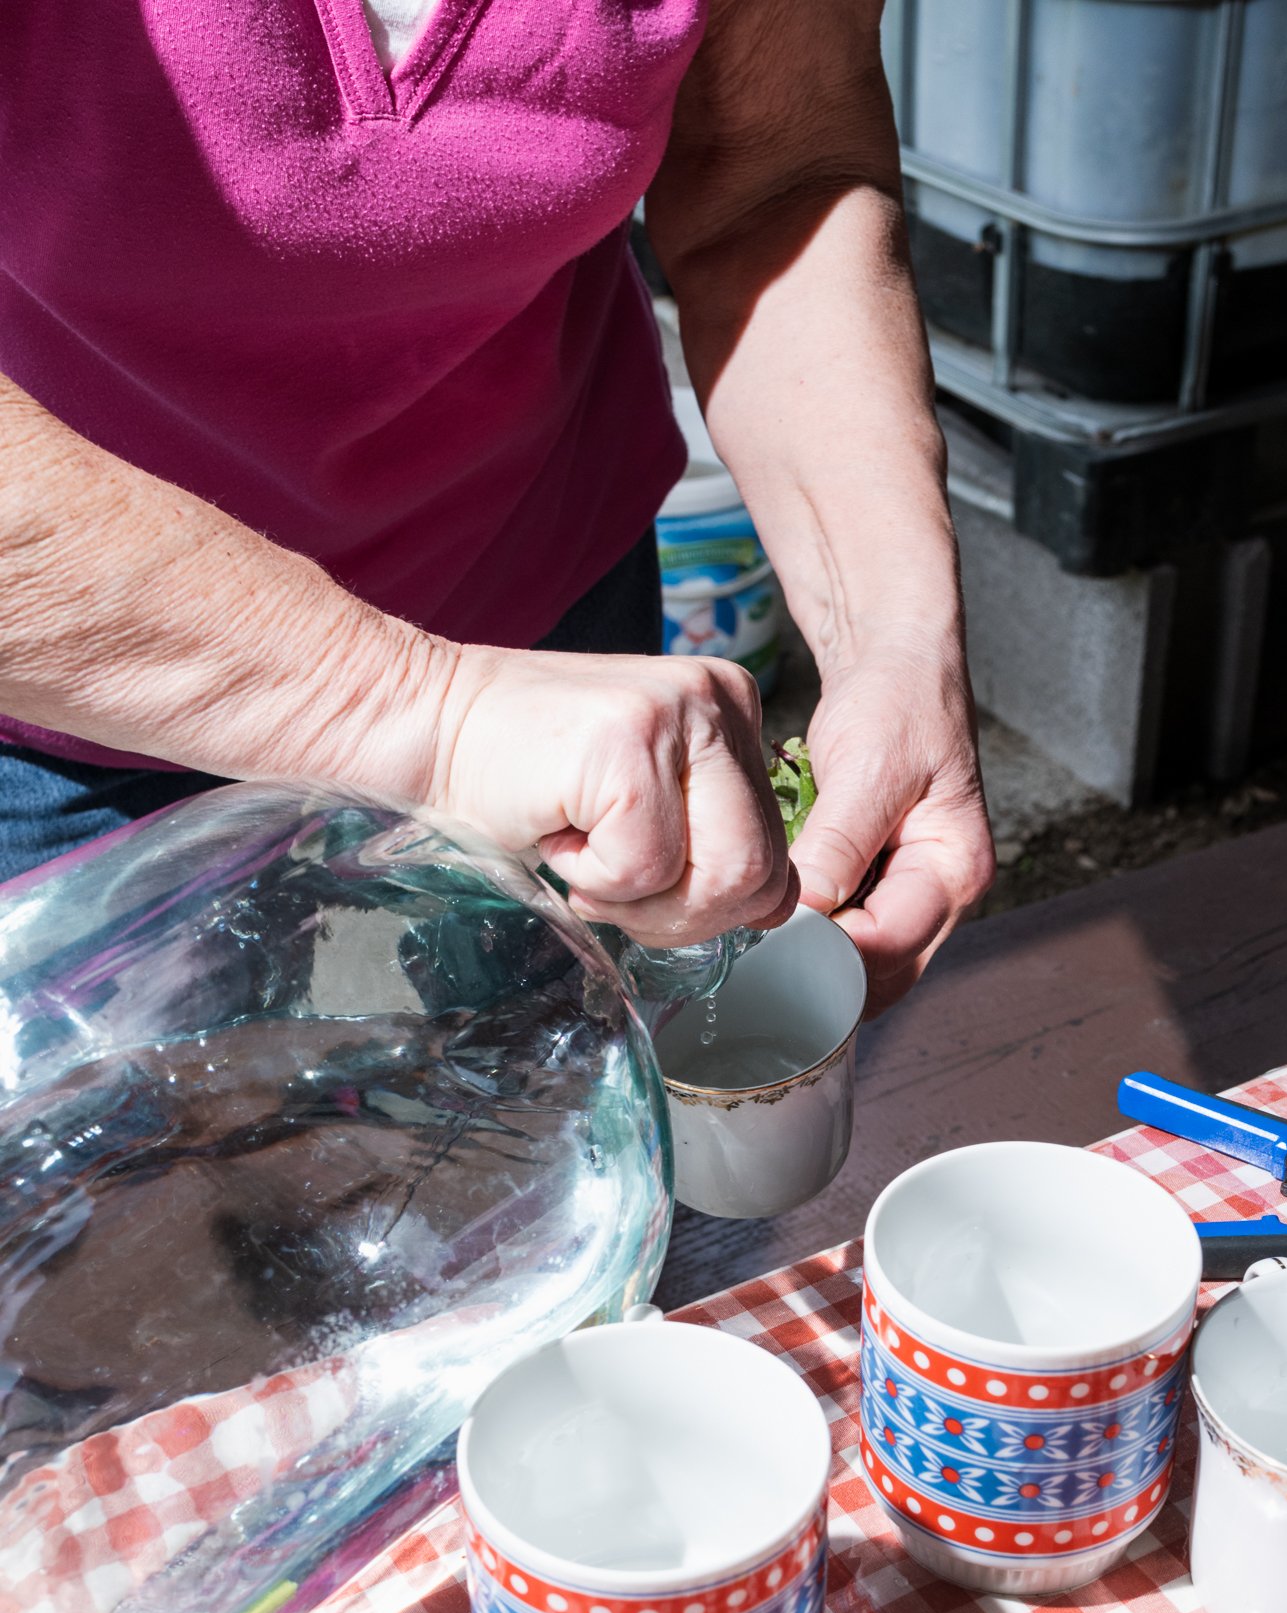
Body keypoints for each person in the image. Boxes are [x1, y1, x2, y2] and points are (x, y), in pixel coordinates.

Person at [0, 0, 992, 1011]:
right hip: (92, 669)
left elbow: (779, 178)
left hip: (547, 616)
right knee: (163, 1122)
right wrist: (436, 719)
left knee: (547, 1038)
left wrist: (894, 638)